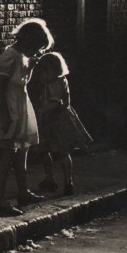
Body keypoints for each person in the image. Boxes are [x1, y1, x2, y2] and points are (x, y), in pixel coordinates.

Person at [0, 18, 53, 216]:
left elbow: (21, 80)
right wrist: (6, 116)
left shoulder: (23, 56)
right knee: (7, 154)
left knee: (22, 150)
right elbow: (0, 88)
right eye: (37, 47)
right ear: (29, 41)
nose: (37, 52)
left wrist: (31, 66)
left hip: (20, 103)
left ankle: (23, 192)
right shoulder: (10, 55)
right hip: (9, 105)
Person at [34, 50, 92, 196]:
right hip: (58, 121)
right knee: (59, 151)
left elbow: (55, 103)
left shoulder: (54, 85)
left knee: (52, 150)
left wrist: (41, 112)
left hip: (54, 121)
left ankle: (55, 179)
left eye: (43, 72)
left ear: (52, 71)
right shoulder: (59, 81)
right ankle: (64, 180)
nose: (41, 76)